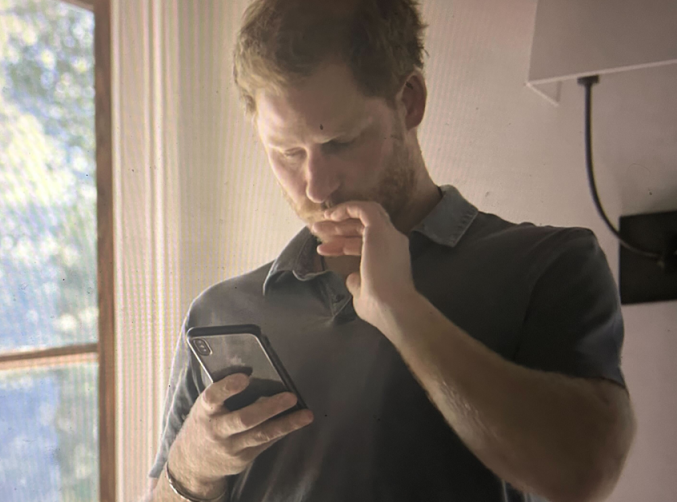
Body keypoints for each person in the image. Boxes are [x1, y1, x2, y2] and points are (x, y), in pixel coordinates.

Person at [144, 0, 636, 500]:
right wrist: (190, 465)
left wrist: (401, 309)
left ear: (410, 101)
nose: (315, 186)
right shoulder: (220, 312)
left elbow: (586, 474)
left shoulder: (548, 265)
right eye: (288, 153)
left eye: (340, 142)